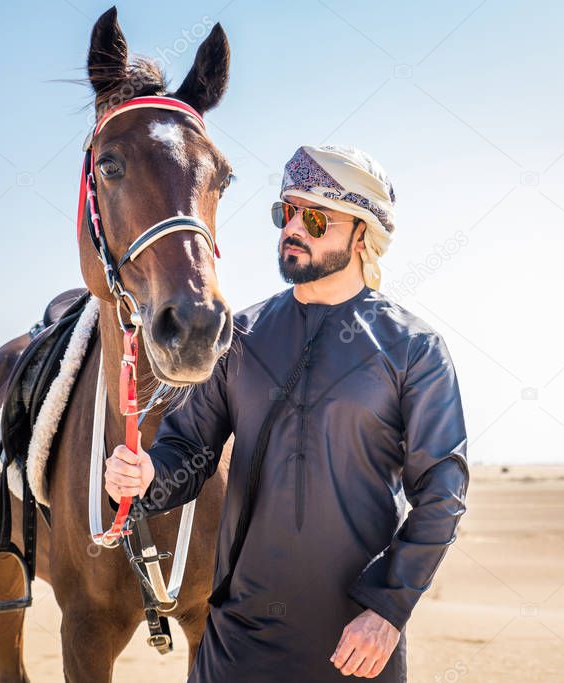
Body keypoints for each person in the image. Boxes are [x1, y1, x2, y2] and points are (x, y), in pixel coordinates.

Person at [105, 144, 469, 682]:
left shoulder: (412, 348)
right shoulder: (243, 337)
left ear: (362, 234)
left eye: (316, 217)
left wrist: (388, 609)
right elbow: (189, 446)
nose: (293, 228)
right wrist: (148, 475)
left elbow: (442, 494)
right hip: (235, 644)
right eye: (287, 212)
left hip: (356, 649)